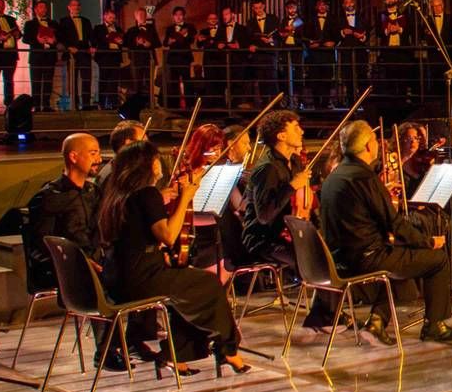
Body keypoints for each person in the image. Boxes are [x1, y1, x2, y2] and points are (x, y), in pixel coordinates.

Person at [96, 140, 248, 373]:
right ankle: (228, 350)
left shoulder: (117, 195)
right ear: (145, 165)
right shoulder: (147, 194)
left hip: (118, 276)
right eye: (156, 158)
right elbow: (167, 235)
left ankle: (176, 355)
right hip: (141, 278)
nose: (160, 163)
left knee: (186, 292)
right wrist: (186, 197)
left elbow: (136, 235)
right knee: (208, 284)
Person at [316, 121, 452, 343]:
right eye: (376, 141)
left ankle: (377, 322)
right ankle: (435, 325)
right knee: (437, 259)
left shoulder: (335, 176)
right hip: (367, 259)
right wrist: (427, 242)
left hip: (340, 258)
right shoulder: (365, 177)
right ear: (368, 146)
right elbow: (395, 224)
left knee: (402, 259)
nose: (379, 144)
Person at [22, 133, 103, 296]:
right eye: (93, 153)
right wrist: (81, 261)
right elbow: (43, 244)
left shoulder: (93, 191)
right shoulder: (50, 196)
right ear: (73, 157)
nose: (99, 160)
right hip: (65, 267)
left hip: (97, 262)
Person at [242, 110, 312, 272]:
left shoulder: (295, 162)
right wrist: (291, 186)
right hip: (264, 240)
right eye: (295, 128)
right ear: (281, 136)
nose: (301, 131)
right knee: (312, 260)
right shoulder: (267, 168)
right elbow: (264, 216)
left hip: (287, 234)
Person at [56, 0, 93, 108]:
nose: (76, 7)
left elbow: (91, 36)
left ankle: (86, 104)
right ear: (69, 7)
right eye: (73, 5)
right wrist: (68, 47)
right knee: (73, 79)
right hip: (71, 53)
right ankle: (74, 104)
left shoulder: (86, 21)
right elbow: (60, 37)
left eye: (78, 5)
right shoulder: (63, 21)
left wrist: (93, 46)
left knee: (87, 78)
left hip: (84, 51)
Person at [23, 1, 59, 110]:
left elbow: (60, 37)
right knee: (36, 82)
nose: (43, 9)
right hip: (36, 56)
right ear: (35, 9)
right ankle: (37, 105)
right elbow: (25, 39)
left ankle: (47, 104)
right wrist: (37, 40)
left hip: (49, 56)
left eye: (44, 7)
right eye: (40, 7)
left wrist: (54, 41)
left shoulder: (53, 23)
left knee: (48, 81)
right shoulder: (29, 24)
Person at [160, 7, 196, 109]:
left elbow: (191, 40)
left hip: (184, 57)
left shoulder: (189, 27)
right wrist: (173, 39)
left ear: (183, 16)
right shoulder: (170, 28)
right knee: (173, 83)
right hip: (173, 58)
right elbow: (165, 43)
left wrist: (181, 36)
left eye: (180, 14)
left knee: (187, 82)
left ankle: (189, 105)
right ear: (173, 17)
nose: (178, 17)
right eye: (176, 15)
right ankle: (174, 106)